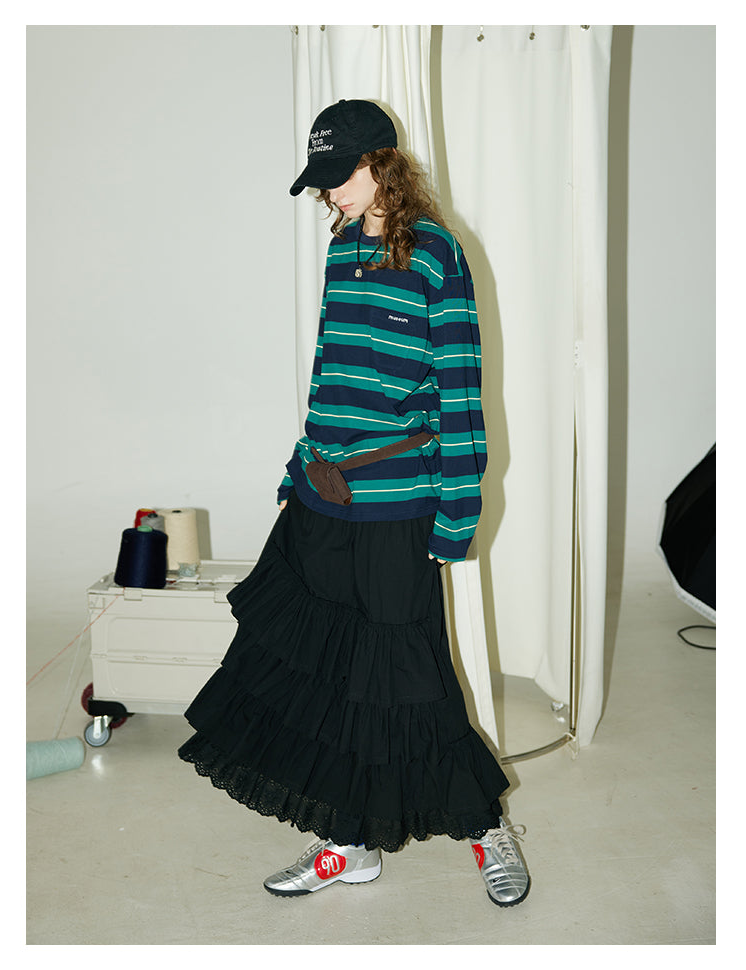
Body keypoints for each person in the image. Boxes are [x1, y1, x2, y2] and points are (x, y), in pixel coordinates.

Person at [178, 99, 531, 907]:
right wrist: (297, 470)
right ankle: (350, 840)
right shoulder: (342, 248)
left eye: (341, 175)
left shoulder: (438, 255)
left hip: (398, 504)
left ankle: (486, 828)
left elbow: (461, 395)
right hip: (323, 495)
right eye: (323, 179)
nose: (329, 192)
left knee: (412, 677)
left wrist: (458, 511)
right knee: (332, 675)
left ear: (383, 165)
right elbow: (329, 372)